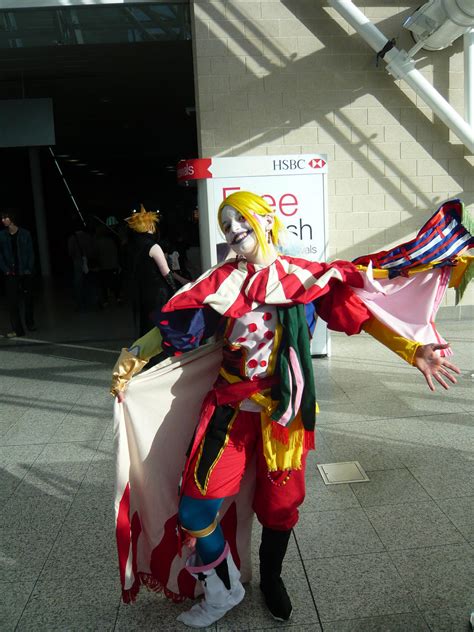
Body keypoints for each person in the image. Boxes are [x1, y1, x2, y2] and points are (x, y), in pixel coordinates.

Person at [111, 192, 472, 628]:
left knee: (280, 509)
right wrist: (132, 355)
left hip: (285, 414)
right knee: (195, 511)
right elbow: (174, 326)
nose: (233, 230)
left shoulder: (303, 277)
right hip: (228, 412)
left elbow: (359, 312)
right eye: (226, 225)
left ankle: (273, 578)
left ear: (264, 220)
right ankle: (225, 590)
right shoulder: (220, 283)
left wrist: (412, 350)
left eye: (239, 219)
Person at [125, 205, 178, 337]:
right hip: (157, 292)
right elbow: (166, 273)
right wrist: (175, 289)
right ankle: (158, 355)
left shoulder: (130, 247)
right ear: (150, 226)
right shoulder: (153, 246)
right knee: (158, 325)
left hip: (140, 291)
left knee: (146, 324)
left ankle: (145, 352)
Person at [0, 209, 36, 338]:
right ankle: (18, 330)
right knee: (12, 303)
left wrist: (28, 269)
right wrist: (5, 269)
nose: (3, 220)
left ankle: (30, 322)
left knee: (28, 300)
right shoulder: (2, 235)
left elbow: (31, 253)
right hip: (11, 273)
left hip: (25, 272)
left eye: (5, 217)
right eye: (2, 218)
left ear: (12, 218)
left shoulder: (25, 234)